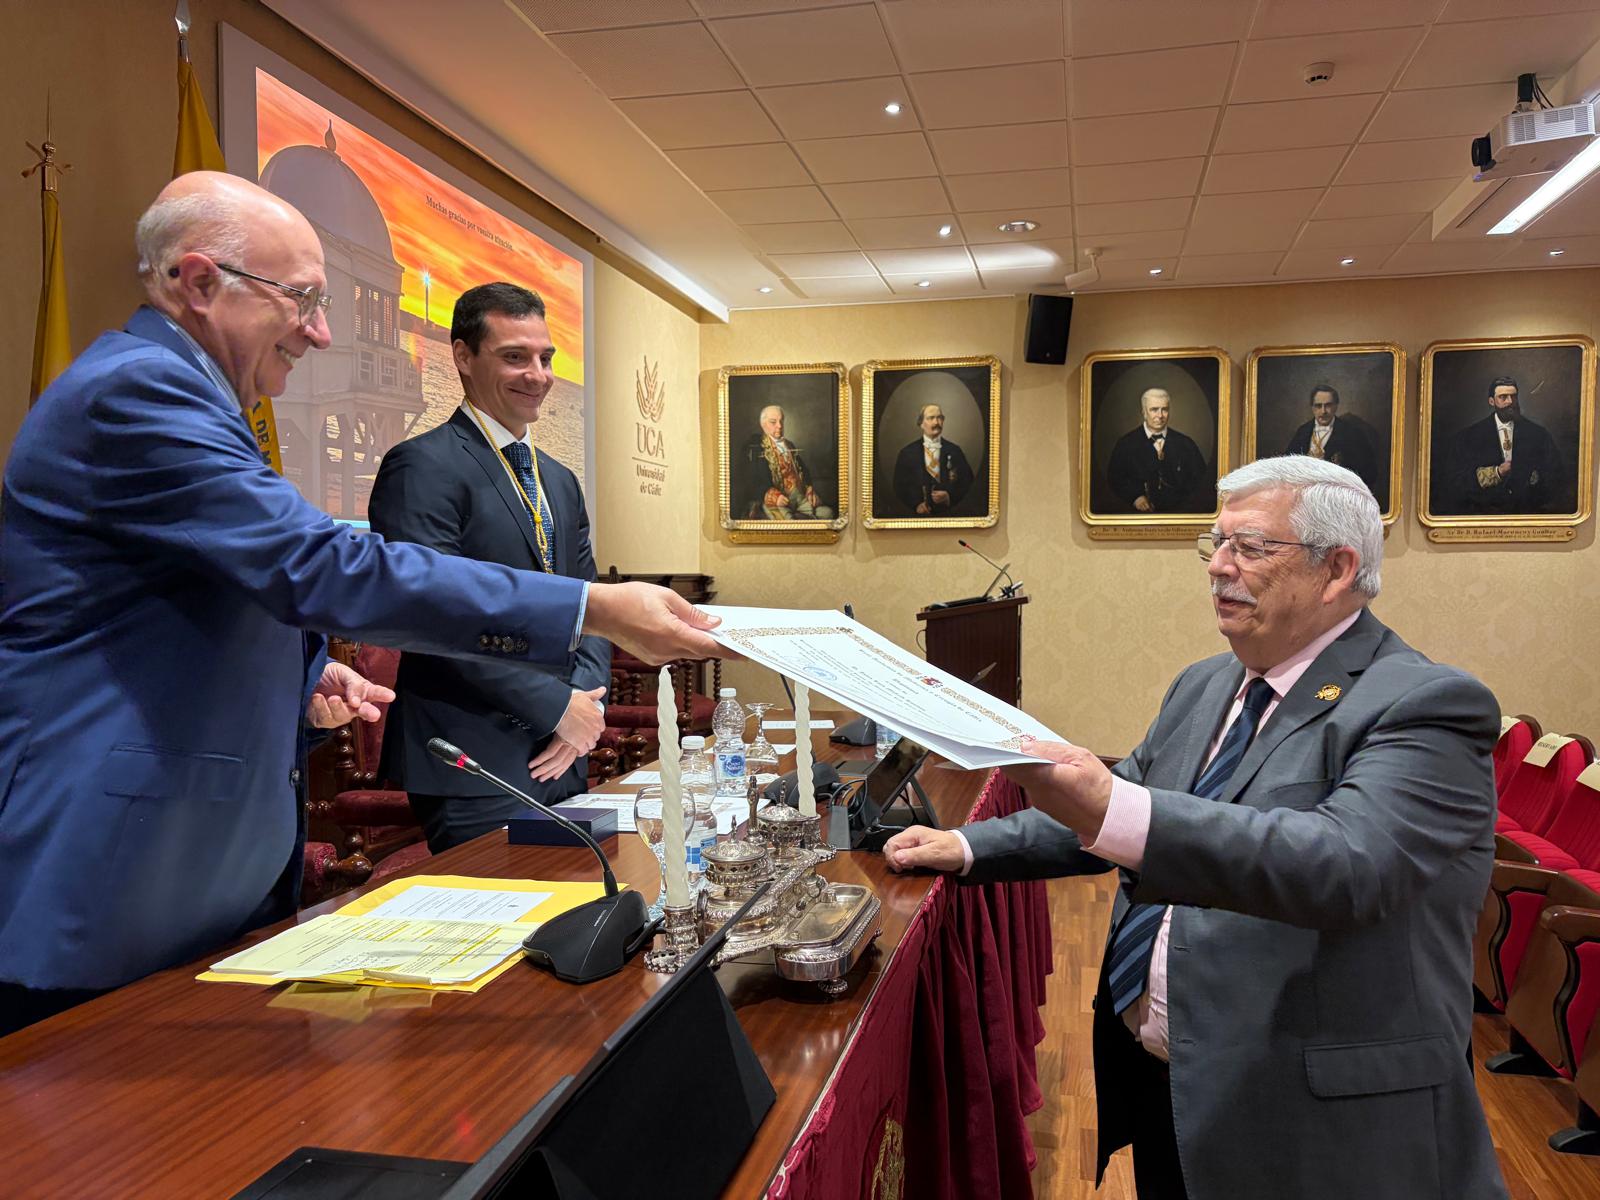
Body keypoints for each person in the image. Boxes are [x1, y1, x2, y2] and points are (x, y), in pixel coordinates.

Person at [0, 172, 721, 1036]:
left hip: (195, 868)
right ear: (198, 283)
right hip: (105, 879)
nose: (320, 331)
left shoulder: (193, 395)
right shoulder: (139, 390)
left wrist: (302, 678)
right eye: (302, 299)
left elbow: (199, 591)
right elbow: (316, 564)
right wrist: (588, 608)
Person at [884, 456, 1506, 1200]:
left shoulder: (1427, 705)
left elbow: (1348, 863)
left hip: (1318, 1124)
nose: (1218, 567)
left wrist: (1110, 806)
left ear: (1337, 569)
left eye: (1251, 547)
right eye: (1216, 544)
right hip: (1176, 1087)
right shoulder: (1205, 685)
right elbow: (1121, 807)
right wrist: (966, 845)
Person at [369, 283, 610, 851]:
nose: (538, 375)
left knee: (583, 901)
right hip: (471, 759)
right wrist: (556, 707)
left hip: (565, 749)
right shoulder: (421, 466)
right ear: (462, 356)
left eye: (545, 358)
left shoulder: (559, 480)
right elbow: (431, 615)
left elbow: (591, 601)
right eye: (514, 357)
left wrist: (582, 706)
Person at [1441, 375, 1566, 515]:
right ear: (1491, 401)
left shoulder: (1538, 434)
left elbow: (1556, 475)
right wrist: (1496, 473)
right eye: (1503, 397)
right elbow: (1454, 481)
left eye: (1514, 396)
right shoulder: (1468, 437)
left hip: (1527, 513)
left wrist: (1533, 481)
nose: (1510, 402)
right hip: (1483, 515)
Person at [1106, 387, 1210, 513]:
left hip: (1178, 515)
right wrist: (1135, 497)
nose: (1160, 416)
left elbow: (1201, 482)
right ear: (1144, 412)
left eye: (1164, 409)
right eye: (1154, 410)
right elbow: (1115, 479)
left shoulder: (1186, 444)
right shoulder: (1125, 444)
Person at [1282, 384, 1381, 498]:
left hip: (1339, 498)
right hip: (1306, 497)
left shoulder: (1352, 433)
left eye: (1328, 405)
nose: (1323, 411)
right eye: (1318, 406)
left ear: (1336, 406)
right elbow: (1287, 466)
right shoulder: (1303, 432)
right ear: (1312, 407)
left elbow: (1369, 472)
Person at [737, 405, 833, 520]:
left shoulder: (789, 445)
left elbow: (803, 469)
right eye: (773, 422)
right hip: (777, 500)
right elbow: (749, 479)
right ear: (763, 424)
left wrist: (809, 488)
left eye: (781, 421)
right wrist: (773, 496)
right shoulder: (754, 447)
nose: (780, 426)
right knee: (789, 523)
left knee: (828, 514)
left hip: (799, 497)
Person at [891, 400, 975, 516]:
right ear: (921, 423)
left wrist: (950, 497)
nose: (936, 422)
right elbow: (899, 487)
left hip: (949, 516)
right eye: (931, 418)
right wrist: (915, 505)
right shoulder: (907, 453)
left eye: (939, 418)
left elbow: (968, 484)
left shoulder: (955, 451)